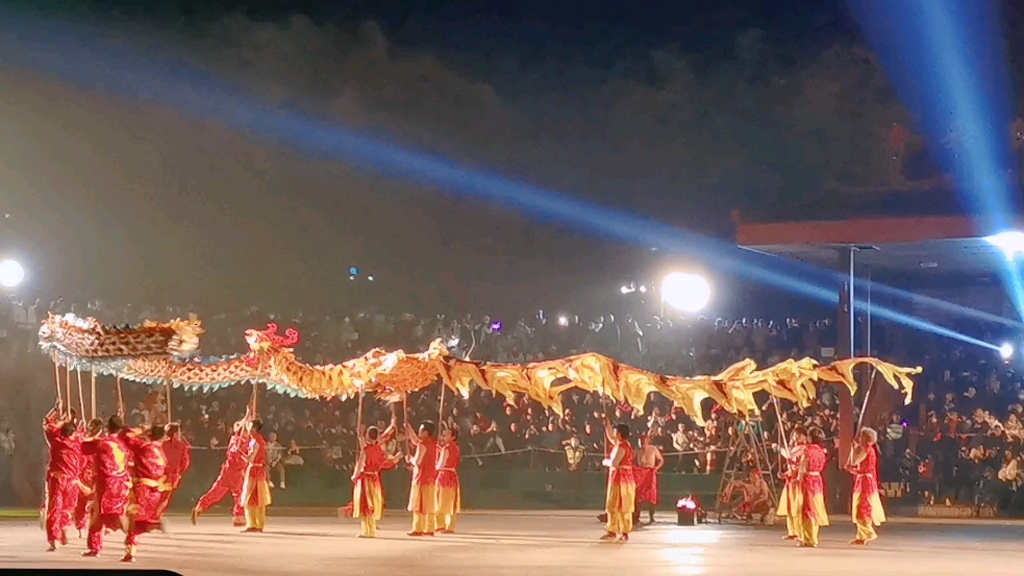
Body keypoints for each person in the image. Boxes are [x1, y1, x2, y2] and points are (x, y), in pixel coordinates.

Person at [83, 415, 131, 558]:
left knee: (114, 515)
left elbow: (83, 447)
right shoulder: (122, 444)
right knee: (97, 515)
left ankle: (132, 536)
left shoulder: (102, 443)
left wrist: (92, 433)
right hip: (121, 482)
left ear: (107, 427)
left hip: (107, 483)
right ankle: (95, 547)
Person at [122, 425, 169, 562]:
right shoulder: (161, 453)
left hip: (142, 488)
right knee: (138, 520)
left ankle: (154, 524)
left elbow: (126, 436)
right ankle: (130, 551)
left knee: (135, 519)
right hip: (155, 490)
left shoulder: (143, 446)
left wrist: (141, 430)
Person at [348, 416, 399, 538]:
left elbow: (361, 463)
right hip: (375, 479)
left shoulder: (366, 450)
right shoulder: (379, 450)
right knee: (371, 505)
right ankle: (370, 530)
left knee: (366, 505)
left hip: (366, 479)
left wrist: (355, 475)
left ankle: (368, 531)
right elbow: (384, 462)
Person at [42, 401, 84, 551]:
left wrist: (55, 411)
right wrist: (73, 422)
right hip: (72, 481)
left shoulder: (57, 441)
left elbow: (46, 423)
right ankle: (64, 528)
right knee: (67, 507)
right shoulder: (78, 442)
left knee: (56, 509)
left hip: (58, 479)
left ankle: (54, 539)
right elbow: (82, 431)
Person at [192, 418, 249, 526]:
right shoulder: (241, 443)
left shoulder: (233, 439)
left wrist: (247, 415)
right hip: (236, 472)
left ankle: (200, 506)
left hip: (227, 470)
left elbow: (239, 426)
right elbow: (241, 458)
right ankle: (238, 516)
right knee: (240, 494)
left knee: (216, 492)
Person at [846, 427, 885, 545]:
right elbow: (856, 466)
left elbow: (855, 461)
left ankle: (868, 533)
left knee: (862, 507)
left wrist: (853, 450)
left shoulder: (867, 449)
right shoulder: (865, 449)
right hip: (861, 479)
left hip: (865, 483)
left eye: (862, 436)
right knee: (859, 507)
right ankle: (862, 536)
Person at [601, 421, 636, 542]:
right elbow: (610, 436)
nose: (614, 433)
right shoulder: (621, 444)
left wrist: (605, 462)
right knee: (613, 505)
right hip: (619, 479)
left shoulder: (622, 447)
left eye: (616, 431)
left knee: (621, 506)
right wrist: (607, 425)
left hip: (621, 481)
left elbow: (615, 463)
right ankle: (613, 530)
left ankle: (623, 531)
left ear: (620, 434)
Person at [796, 427, 830, 548]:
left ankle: (808, 538)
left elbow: (804, 467)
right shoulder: (821, 451)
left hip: (808, 480)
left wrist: (798, 478)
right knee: (815, 508)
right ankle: (812, 536)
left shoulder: (807, 449)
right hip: (817, 480)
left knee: (807, 509)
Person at [404, 419, 439, 536]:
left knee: (419, 504)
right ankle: (429, 528)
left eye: (421, 430)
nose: (419, 432)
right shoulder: (433, 444)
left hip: (421, 478)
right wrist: (409, 429)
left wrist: (410, 459)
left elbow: (418, 461)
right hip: (431, 478)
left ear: (426, 432)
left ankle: (418, 528)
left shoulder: (422, 445)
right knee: (429, 504)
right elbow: (415, 440)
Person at [73, 419, 104, 538]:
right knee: (81, 502)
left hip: (95, 475)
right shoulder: (82, 441)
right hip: (82, 473)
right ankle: (81, 526)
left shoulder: (100, 443)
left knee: (93, 503)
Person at [776, 426, 807, 541]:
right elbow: (791, 465)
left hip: (799, 480)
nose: (796, 437)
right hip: (790, 480)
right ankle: (792, 531)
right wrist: (784, 474)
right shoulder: (793, 448)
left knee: (797, 507)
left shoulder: (803, 448)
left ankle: (800, 531)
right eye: (795, 434)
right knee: (789, 506)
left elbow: (789, 455)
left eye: (799, 434)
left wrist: (780, 448)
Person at [241, 416, 271, 533]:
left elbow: (250, 459)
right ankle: (255, 524)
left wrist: (239, 453)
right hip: (257, 471)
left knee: (253, 499)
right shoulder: (258, 440)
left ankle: (255, 524)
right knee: (255, 499)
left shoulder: (256, 442)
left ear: (253, 428)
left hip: (255, 471)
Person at [159, 422, 191, 518]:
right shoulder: (181, 446)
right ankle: (157, 515)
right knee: (165, 497)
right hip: (172, 475)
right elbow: (185, 462)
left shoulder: (161, 444)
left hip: (159, 474)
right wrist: (179, 471)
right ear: (175, 434)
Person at [435, 425, 461, 534]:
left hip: (444, 475)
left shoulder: (446, 448)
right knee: (451, 502)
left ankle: (440, 525)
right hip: (452, 475)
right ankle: (450, 526)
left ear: (453, 436)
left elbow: (440, 465)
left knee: (439, 500)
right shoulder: (455, 447)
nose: (444, 435)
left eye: (447, 433)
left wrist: (435, 464)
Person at [635, 432, 664, 524]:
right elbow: (630, 460)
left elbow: (661, 460)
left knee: (651, 496)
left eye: (643, 442)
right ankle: (636, 516)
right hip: (640, 473)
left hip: (651, 472)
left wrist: (657, 468)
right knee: (639, 495)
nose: (642, 444)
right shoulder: (637, 450)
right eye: (640, 442)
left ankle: (651, 517)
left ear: (647, 442)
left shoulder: (653, 449)